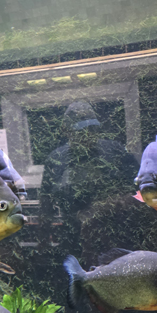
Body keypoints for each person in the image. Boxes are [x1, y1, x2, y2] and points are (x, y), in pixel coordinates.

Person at [38, 101, 138, 259]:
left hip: (115, 237)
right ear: (67, 131)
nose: (88, 134)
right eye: (81, 130)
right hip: (74, 238)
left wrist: (103, 207)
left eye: (92, 128)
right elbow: (46, 203)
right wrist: (43, 239)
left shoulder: (115, 152)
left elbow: (137, 193)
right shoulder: (56, 159)